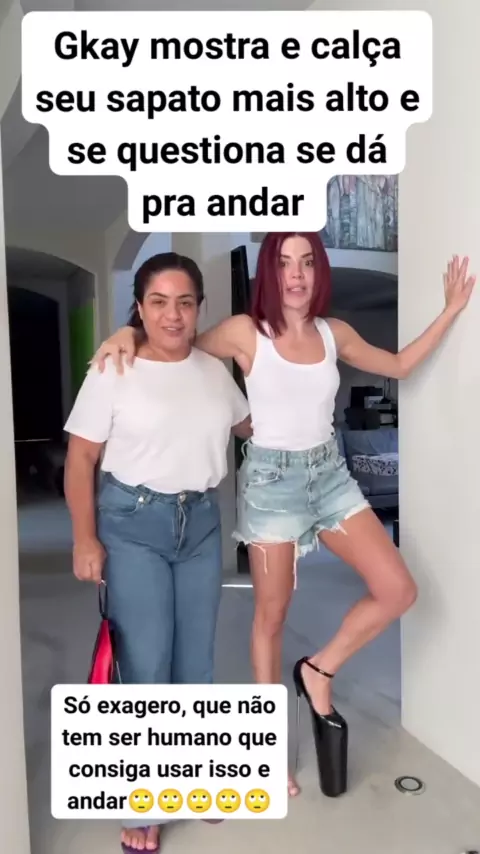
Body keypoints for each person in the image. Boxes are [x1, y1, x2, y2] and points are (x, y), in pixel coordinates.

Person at [92, 233, 475, 800]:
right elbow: (178, 340)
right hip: (271, 486)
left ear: (319, 272)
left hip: (330, 476)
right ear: (270, 272)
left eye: (307, 263)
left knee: (398, 589)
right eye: (285, 263)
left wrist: (451, 310)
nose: (296, 274)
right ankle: (266, 753)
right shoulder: (245, 332)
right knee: (271, 618)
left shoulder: (334, 333)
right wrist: (127, 332)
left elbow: (398, 364)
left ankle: (318, 670)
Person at [63, 252, 251, 853]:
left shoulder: (214, 372)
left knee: (196, 661)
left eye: (185, 302)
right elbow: (81, 459)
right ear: (140, 309)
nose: (173, 315)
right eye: (160, 302)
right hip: (132, 525)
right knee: (146, 663)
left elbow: (253, 429)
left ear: (199, 308)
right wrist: (85, 537)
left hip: (201, 524)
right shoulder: (113, 369)